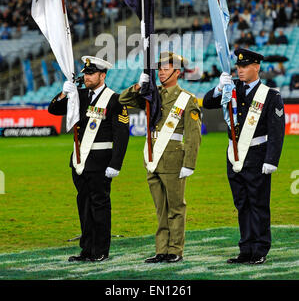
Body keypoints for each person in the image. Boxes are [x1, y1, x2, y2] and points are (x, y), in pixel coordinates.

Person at [203, 48, 285, 265]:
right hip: (234, 154)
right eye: (238, 66)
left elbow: (277, 131)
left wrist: (271, 160)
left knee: (258, 204)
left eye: (245, 66)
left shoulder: (270, 95)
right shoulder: (232, 89)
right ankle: (246, 249)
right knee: (242, 204)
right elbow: (207, 103)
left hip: (257, 155)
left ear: (256, 67)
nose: (240, 70)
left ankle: (260, 250)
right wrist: (220, 87)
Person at [119, 52, 201, 264]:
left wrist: (189, 163)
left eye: (166, 68)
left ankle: (175, 250)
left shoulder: (187, 99)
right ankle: (161, 250)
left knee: (175, 207)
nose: (161, 71)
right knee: (160, 209)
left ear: (177, 72)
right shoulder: (152, 94)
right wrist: (139, 86)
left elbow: (193, 135)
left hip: (173, 159)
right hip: (152, 158)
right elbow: (123, 99)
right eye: (160, 68)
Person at [48, 56, 129, 263]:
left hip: (101, 162)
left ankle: (101, 250)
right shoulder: (79, 95)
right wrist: (64, 93)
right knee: (83, 205)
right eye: (85, 73)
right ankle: (87, 249)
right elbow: (54, 109)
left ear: (102, 75)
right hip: (79, 161)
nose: (86, 77)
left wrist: (115, 164)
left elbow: (122, 135)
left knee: (99, 206)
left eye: (91, 73)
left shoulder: (115, 99)